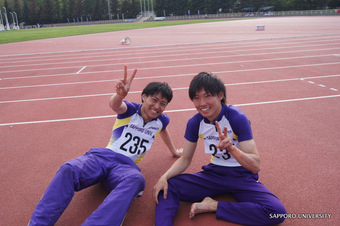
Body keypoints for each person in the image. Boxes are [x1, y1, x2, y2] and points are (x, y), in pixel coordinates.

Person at [29, 65, 182, 226]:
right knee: (69, 169)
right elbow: (115, 105)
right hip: (102, 158)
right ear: (144, 97)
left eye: (163, 103)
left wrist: (174, 152)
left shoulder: (162, 120)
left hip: (126, 168)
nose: (157, 106)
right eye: (154, 100)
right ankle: (39, 223)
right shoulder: (130, 110)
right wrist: (119, 95)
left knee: (136, 180)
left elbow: (164, 131)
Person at [153, 72, 286, 226]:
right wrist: (164, 176)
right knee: (167, 186)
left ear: (220, 95)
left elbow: (255, 165)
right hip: (214, 174)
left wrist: (231, 148)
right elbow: (185, 159)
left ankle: (213, 205)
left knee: (276, 212)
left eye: (207, 96)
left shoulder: (236, 117)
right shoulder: (195, 122)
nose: (202, 103)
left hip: (242, 176)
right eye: (196, 98)